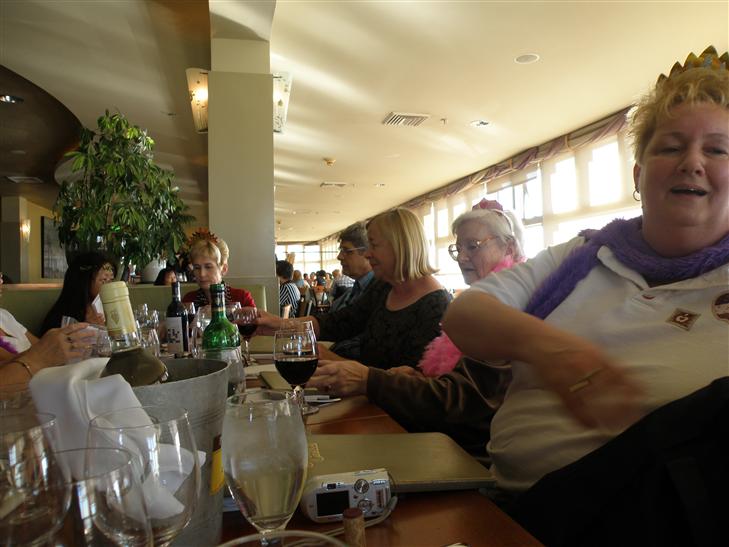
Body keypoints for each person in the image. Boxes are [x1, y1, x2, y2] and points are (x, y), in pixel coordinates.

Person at [442, 47, 729, 542]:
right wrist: (550, 347)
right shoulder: (581, 256)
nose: (692, 163)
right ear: (638, 175)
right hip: (508, 511)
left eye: (719, 150)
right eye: (670, 147)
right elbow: (465, 314)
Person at [308, 202, 526, 454]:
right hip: (440, 441)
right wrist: (417, 377)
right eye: (458, 249)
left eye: (473, 246)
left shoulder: (507, 310)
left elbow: (461, 403)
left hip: (470, 455)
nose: (463, 257)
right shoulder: (479, 305)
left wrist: (371, 379)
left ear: (508, 247)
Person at [257, 208, 450, 370]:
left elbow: (412, 384)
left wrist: (335, 361)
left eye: (373, 245)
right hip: (361, 399)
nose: (367, 253)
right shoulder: (384, 287)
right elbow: (340, 322)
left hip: (383, 412)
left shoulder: (437, 306)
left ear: (399, 246)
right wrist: (280, 324)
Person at [1, 274, 96, 386]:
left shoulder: (4, 315)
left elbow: (41, 345)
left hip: (47, 380)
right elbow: (9, 366)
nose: (1, 279)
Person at [327, 221, 375, 359]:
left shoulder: (380, 293)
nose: (339, 256)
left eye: (347, 251)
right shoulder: (355, 290)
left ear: (367, 253)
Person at [40, 251, 116, 334]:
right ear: (85, 281)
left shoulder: (108, 308)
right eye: (104, 280)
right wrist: (87, 328)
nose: (110, 285)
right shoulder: (61, 319)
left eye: (111, 280)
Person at [182, 232, 256, 309]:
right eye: (197, 267)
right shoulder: (188, 300)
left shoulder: (242, 298)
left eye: (208, 267)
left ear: (223, 269)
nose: (202, 274)